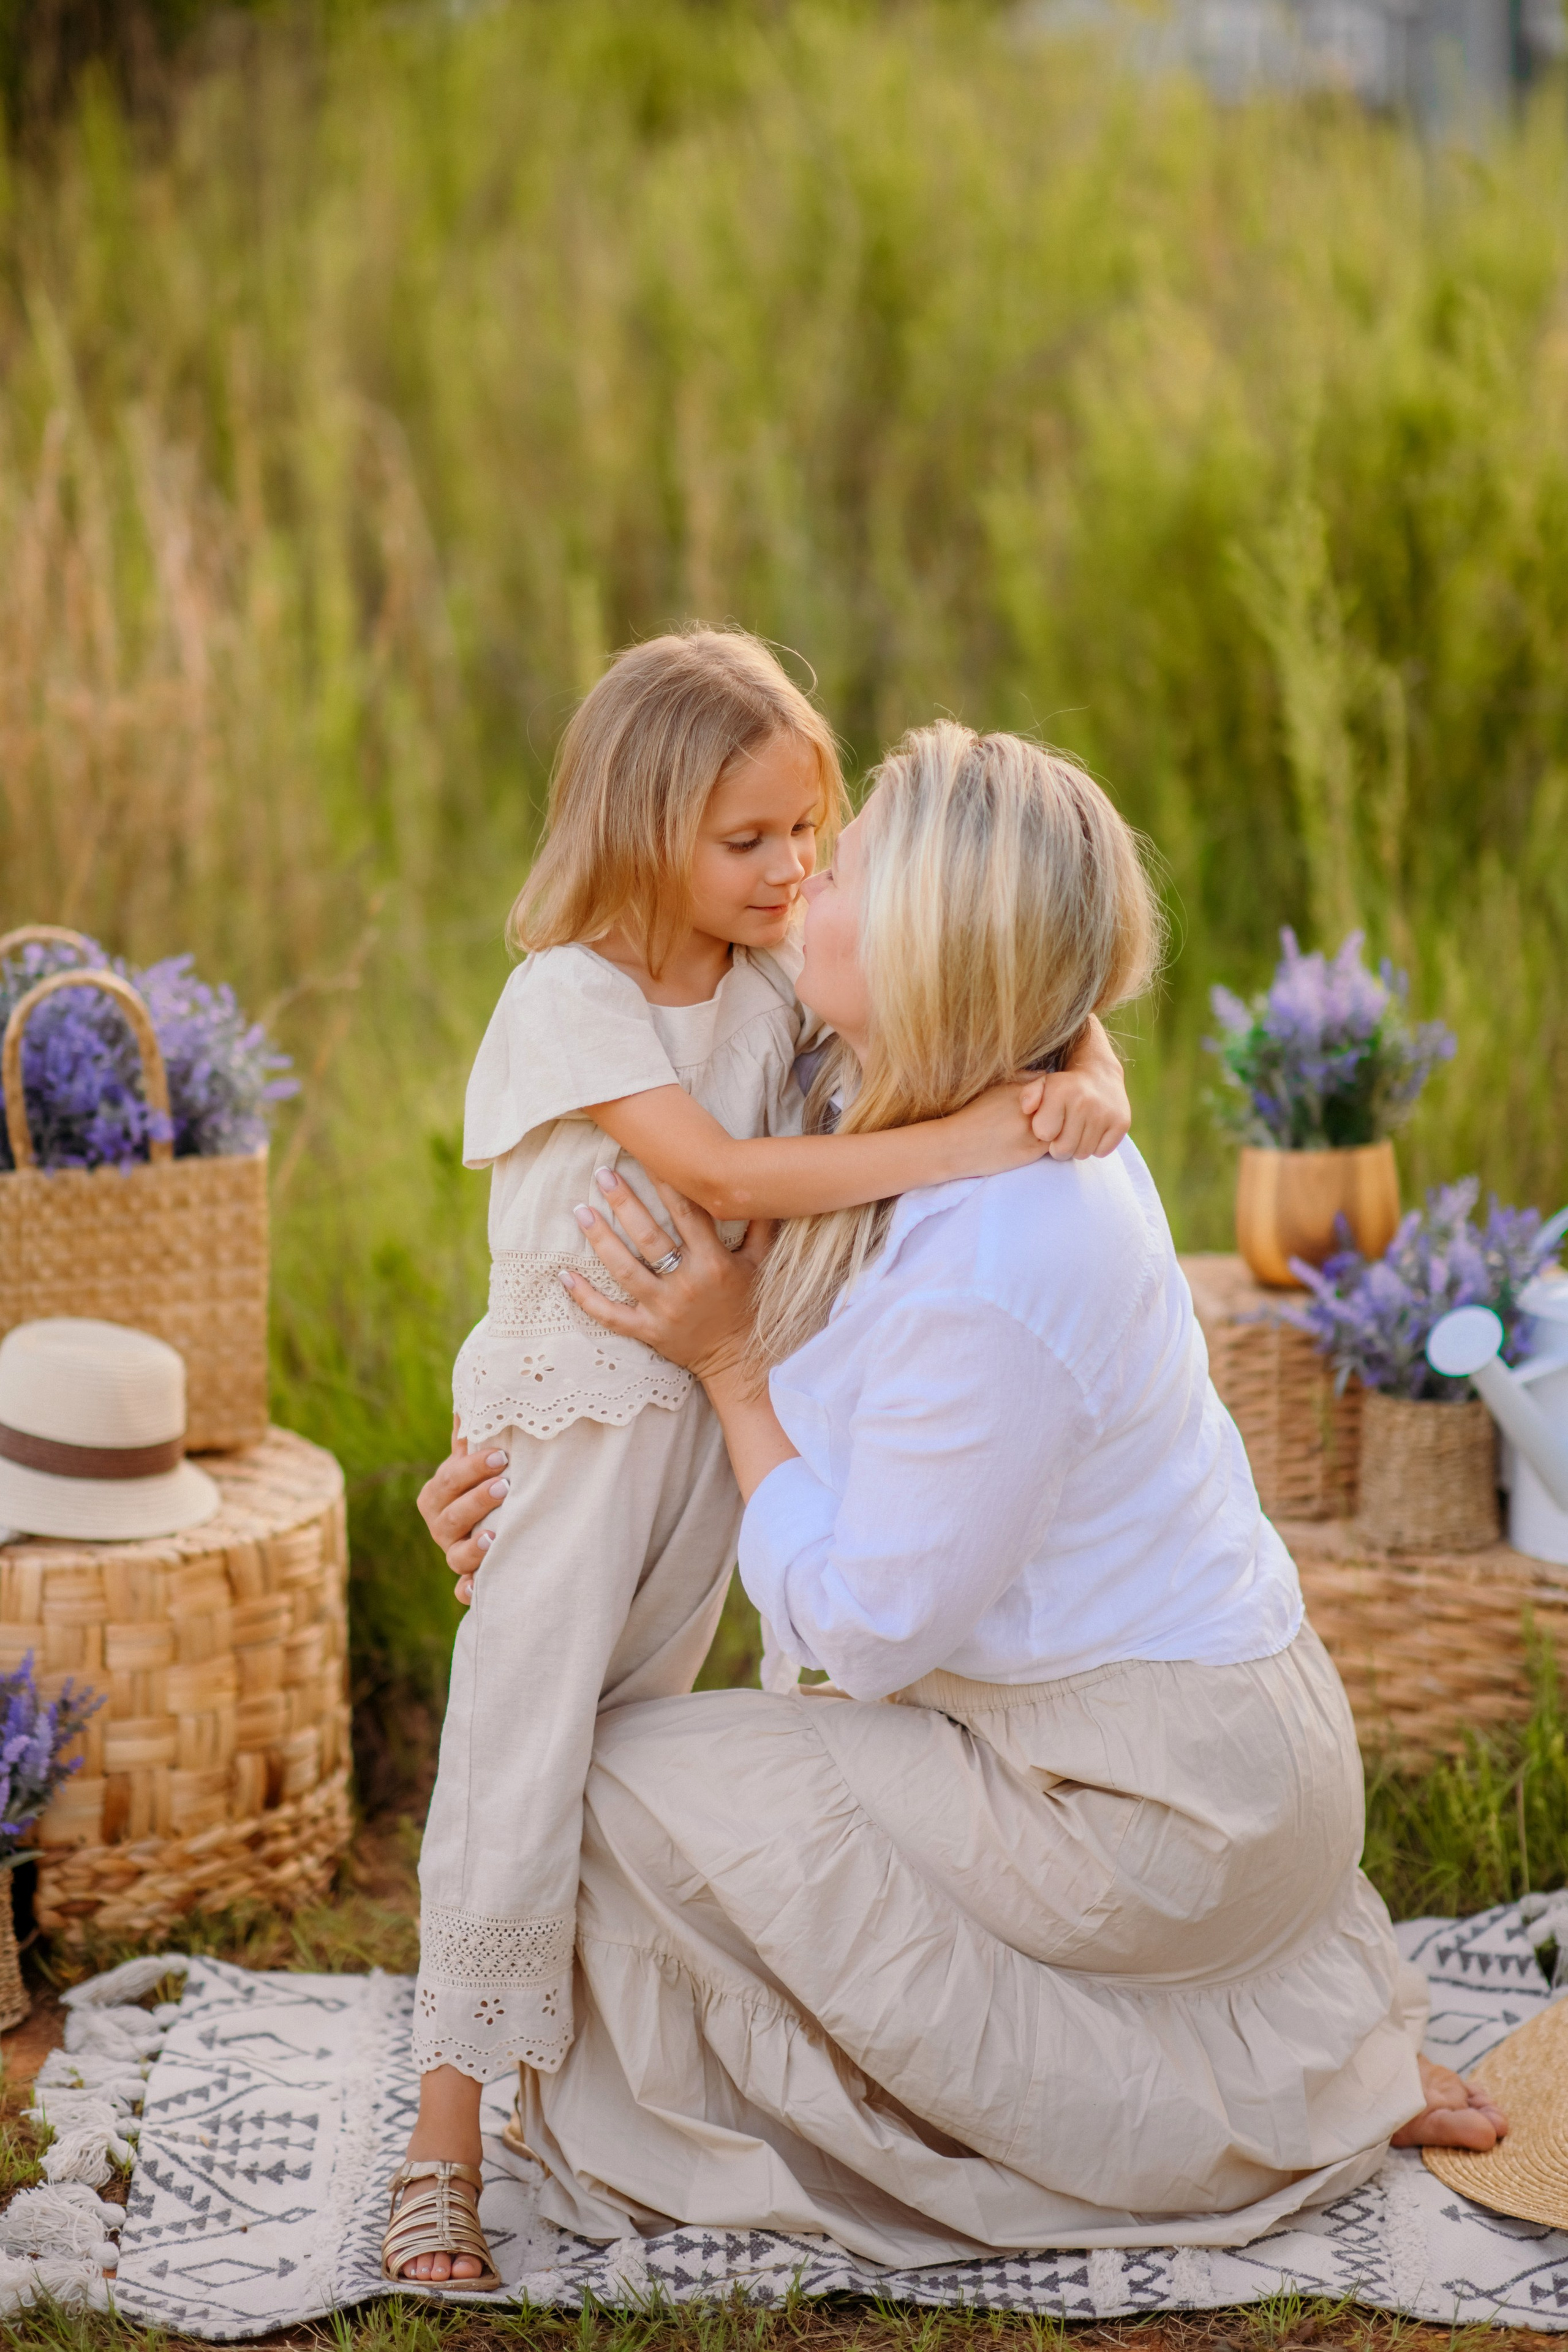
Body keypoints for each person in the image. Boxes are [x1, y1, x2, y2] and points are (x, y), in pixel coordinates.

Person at [421, 720, 1507, 2271]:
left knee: (606, 1796)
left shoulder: (1003, 1253)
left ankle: (1162, 2107)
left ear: (929, 948)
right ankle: (1276, 2059)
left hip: (1154, 1811)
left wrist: (728, 1369)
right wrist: (520, 1476)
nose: (801, 880)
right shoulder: (902, 1104)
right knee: (682, 1782)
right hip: (1209, 1749)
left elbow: (862, 1629)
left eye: (842, 865)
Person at [384, 638, 1134, 2289]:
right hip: (580, 1439)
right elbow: (722, 1171)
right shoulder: (568, 999)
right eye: (749, 841)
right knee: (519, 1755)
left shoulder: (775, 969)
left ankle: (614, 2085)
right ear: (642, 828)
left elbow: (995, 1004)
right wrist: (976, 1140)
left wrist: (1085, 1074)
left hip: (709, 1433)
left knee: (644, 1753)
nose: (794, 868)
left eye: (809, 830)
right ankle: (438, 2148)